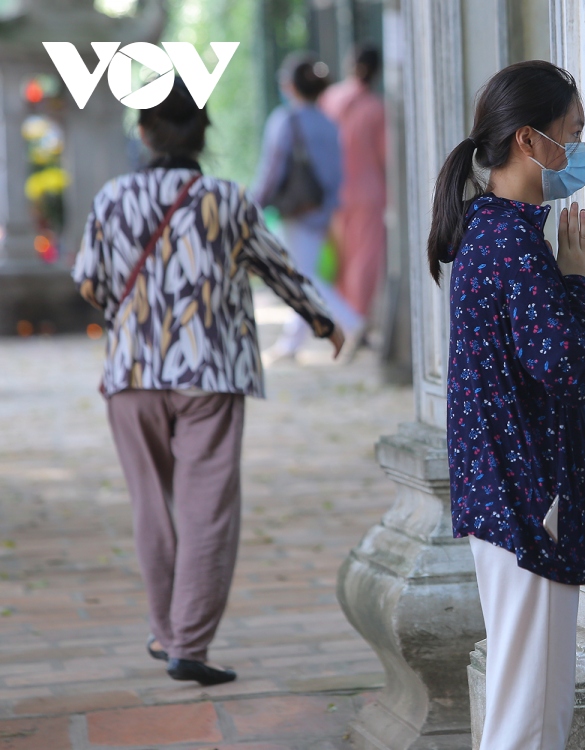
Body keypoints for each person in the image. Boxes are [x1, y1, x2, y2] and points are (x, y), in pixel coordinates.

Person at [72, 78, 344, 686]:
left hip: (132, 375)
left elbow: (89, 283)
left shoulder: (112, 197)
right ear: (203, 135)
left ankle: (167, 631)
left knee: (152, 506)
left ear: (143, 133)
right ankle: (187, 643)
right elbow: (276, 267)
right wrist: (321, 322)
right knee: (206, 511)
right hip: (209, 373)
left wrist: (135, 312)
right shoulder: (225, 198)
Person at [427, 60, 585, 750]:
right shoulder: (513, 244)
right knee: (530, 717)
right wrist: (575, 284)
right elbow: (570, 371)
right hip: (528, 498)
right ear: (531, 142)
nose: (579, 150)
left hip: (509, 494)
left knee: (529, 704)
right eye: (573, 133)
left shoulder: (493, 230)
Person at [253, 52, 360, 363]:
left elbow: (272, 171)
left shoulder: (285, 120)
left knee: (304, 277)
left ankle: (353, 322)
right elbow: (338, 172)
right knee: (302, 271)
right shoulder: (329, 124)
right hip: (322, 208)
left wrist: (254, 205)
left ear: (290, 86)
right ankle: (291, 343)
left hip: (296, 211)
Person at [320, 46, 386, 349]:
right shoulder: (375, 108)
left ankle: (344, 320)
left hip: (333, 193)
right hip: (367, 193)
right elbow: (386, 155)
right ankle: (357, 320)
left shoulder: (329, 99)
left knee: (341, 258)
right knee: (365, 259)